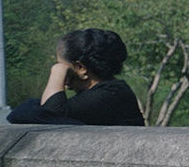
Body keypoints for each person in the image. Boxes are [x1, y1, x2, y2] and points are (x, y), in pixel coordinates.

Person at [8, 28, 145, 126]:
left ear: (80, 68)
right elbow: (21, 114)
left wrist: (57, 71)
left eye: (63, 66)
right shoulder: (107, 91)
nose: (62, 74)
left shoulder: (110, 94)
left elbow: (49, 114)